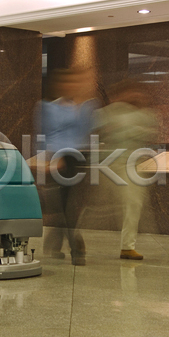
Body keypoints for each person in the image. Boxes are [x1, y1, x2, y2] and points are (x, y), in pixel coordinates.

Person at [33, 67, 99, 266]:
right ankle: (76, 247)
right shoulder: (48, 107)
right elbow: (44, 134)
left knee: (67, 204)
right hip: (58, 157)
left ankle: (55, 242)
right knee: (66, 205)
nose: (73, 86)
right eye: (68, 82)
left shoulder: (87, 106)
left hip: (79, 158)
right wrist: (49, 158)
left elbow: (88, 132)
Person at [94, 79, 158, 260]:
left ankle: (127, 247)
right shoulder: (110, 113)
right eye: (131, 92)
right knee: (103, 206)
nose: (135, 96)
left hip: (132, 167)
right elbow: (98, 130)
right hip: (114, 166)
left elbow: (150, 133)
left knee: (133, 204)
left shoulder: (144, 114)